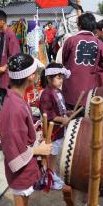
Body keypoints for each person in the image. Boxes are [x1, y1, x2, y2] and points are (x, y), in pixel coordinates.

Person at [0, 53, 52, 206]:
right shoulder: (14, 107)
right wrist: (39, 149)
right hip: (21, 171)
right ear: (31, 77)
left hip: (24, 167)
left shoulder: (15, 99)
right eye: (36, 72)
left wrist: (36, 138)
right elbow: (14, 148)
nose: (37, 75)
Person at [62, 13, 103, 110]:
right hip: (89, 87)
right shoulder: (98, 42)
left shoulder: (71, 40)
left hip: (71, 87)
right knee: (86, 120)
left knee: (70, 119)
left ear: (79, 26)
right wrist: (96, 70)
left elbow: (64, 59)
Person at [39, 62, 72, 190]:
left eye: (61, 77)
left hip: (59, 129)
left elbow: (60, 108)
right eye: (58, 77)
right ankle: (49, 177)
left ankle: (51, 174)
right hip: (52, 131)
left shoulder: (58, 91)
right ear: (48, 78)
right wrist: (62, 119)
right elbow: (47, 113)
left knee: (54, 154)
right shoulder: (46, 93)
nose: (61, 80)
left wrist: (68, 112)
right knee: (51, 154)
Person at [0, 9, 21, 122]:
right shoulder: (1, 34)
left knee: (4, 95)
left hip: (5, 71)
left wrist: (5, 67)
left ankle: (5, 118)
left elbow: (15, 55)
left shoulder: (10, 35)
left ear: (2, 21)